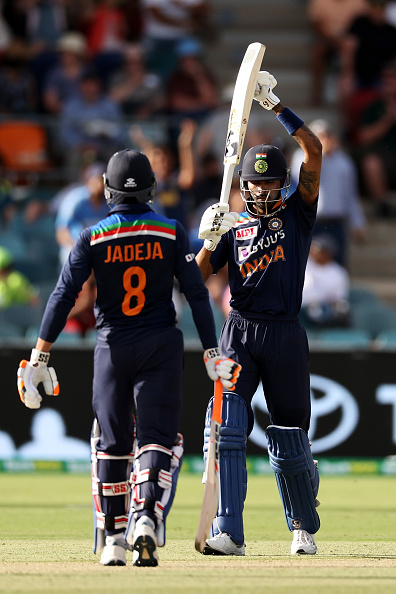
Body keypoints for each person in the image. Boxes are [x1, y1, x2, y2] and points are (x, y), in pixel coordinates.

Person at [16, 148, 241, 567]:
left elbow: (63, 295)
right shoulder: (172, 232)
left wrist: (39, 356)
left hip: (112, 347)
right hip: (160, 345)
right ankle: (147, 517)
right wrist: (212, 350)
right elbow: (196, 292)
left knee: (111, 444)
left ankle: (113, 540)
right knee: (158, 440)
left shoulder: (92, 235)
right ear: (153, 189)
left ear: (107, 190)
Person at [195, 70, 323, 556]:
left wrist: (277, 106)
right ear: (243, 184)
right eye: (256, 183)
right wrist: (205, 242)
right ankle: (229, 528)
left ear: (283, 184)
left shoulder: (298, 213)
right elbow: (195, 279)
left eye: (271, 183)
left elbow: (314, 151)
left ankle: (302, 525)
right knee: (225, 421)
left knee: (290, 438)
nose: (263, 191)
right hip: (238, 334)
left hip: (285, 334)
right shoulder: (233, 224)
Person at [290, 118, 366, 267]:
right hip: (310, 220)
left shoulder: (344, 162)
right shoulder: (300, 156)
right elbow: (301, 180)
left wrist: (358, 222)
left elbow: (350, 195)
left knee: (338, 264)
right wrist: (319, 154)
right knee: (306, 266)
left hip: (336, 221)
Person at [300, 233, 351, 329]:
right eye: (312, 248)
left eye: (317, 249)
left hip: (326, 309)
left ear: (327, 253)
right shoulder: (304, 266)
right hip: (303, 310)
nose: (313, 252)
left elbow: (340, 297)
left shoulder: (338, 272)